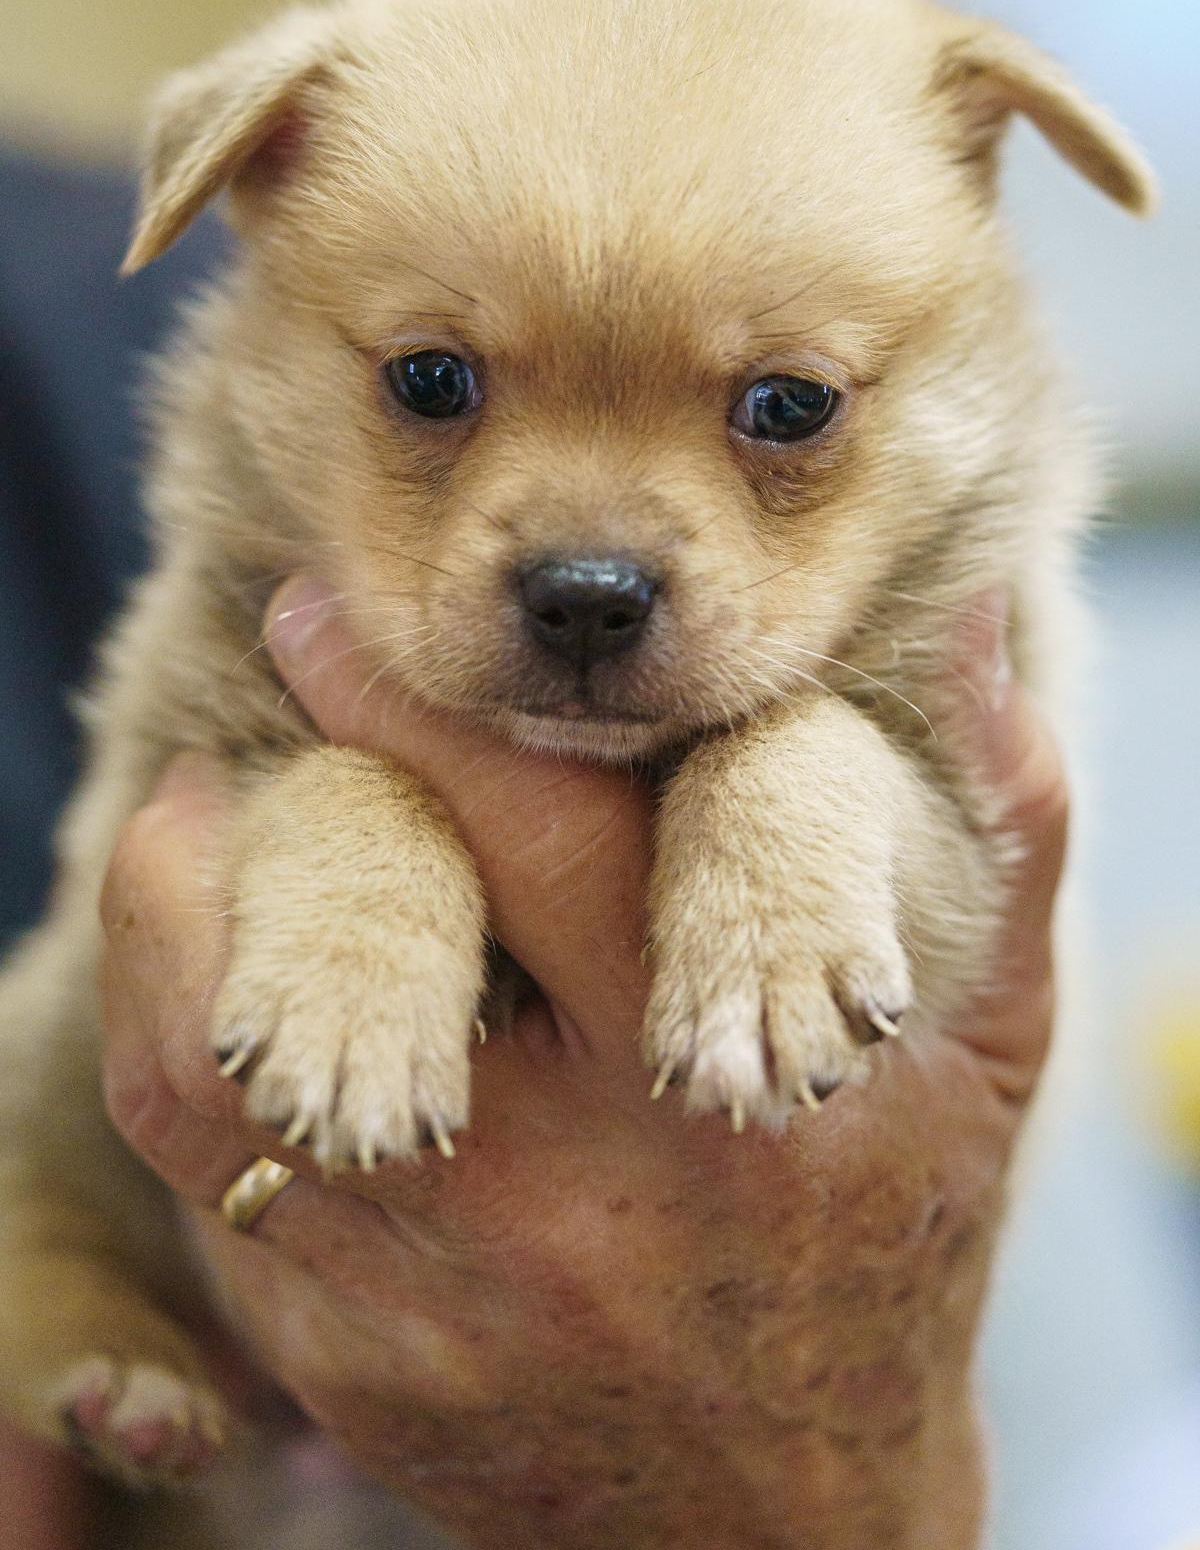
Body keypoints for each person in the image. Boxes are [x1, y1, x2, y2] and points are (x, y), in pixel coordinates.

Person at [0, 148, 1067, 1548]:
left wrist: (799, 797)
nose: (589, 559)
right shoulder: (208, 346)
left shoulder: (74, 305)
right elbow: (189, 818)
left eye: (783, 409)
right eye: (438, 385)